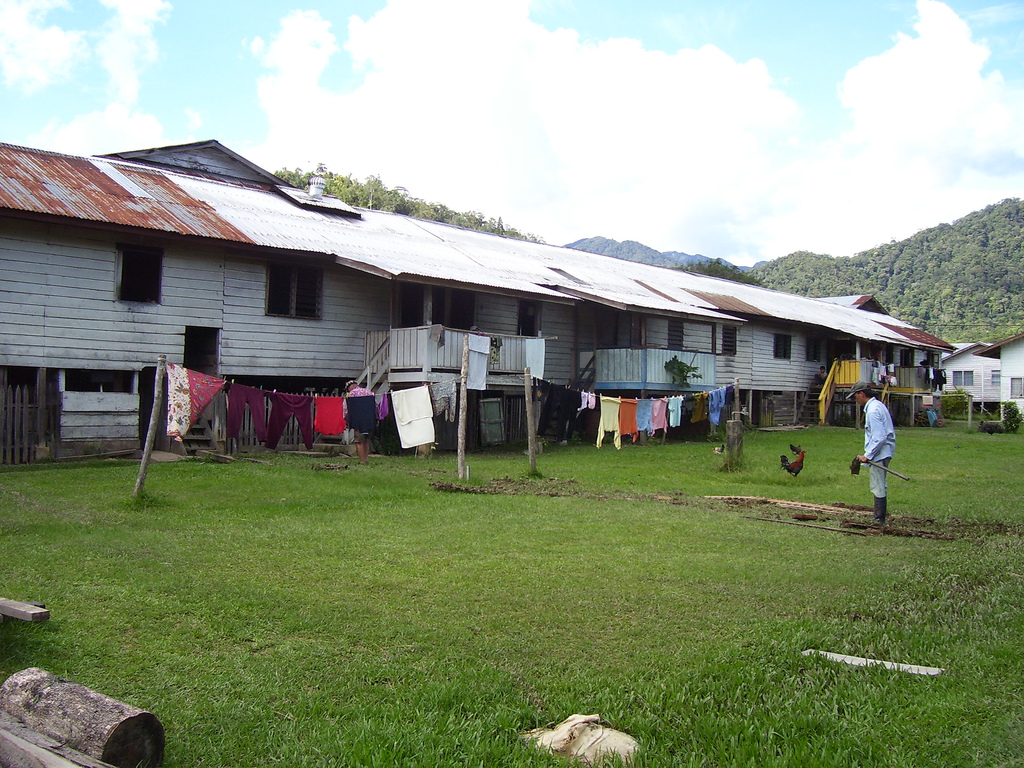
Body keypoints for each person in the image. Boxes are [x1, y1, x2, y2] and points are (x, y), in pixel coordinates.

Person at [849, 380, 896, 526]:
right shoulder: (878, 405)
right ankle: (879, 517)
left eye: (855, 396)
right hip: (885, 450)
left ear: (862, 394)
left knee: (878, 485)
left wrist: (867, 455)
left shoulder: (873, 411)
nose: (855, 400)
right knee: (880, 484)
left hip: (879, 453)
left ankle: (879, 519)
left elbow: (879, 437)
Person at [344, 380, 377, 464]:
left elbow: (346, 409)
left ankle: (362, 460)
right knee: (366, 440)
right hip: (369, 420)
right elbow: (375, 405)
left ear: (349, 388)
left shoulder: (351, 394)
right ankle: (366, 459)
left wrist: (346, 419)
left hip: (358, 421)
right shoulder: (369, 392)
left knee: (359, 441)